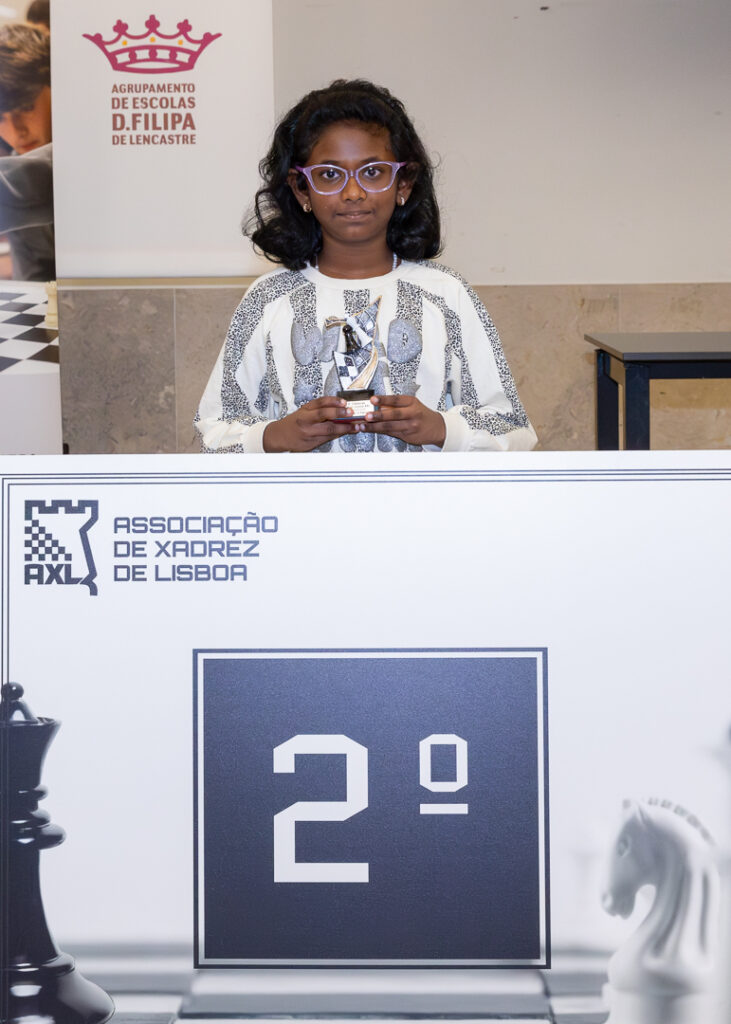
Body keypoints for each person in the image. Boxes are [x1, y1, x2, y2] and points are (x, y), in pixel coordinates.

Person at [196, 79, 537, 453]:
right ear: (300, 188)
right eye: (330, 174)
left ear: (403, 183)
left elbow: (514, 431)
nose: (353, 192)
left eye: (372, 172)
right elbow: (212, 435)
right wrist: (276, 435)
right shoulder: (268, 298)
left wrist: (441, 428)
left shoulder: (446, 293)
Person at [0, 22, 54, 281]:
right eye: (1, 118)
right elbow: (30, 280)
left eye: (26, 107)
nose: (16, 131)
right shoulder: (15, 164)